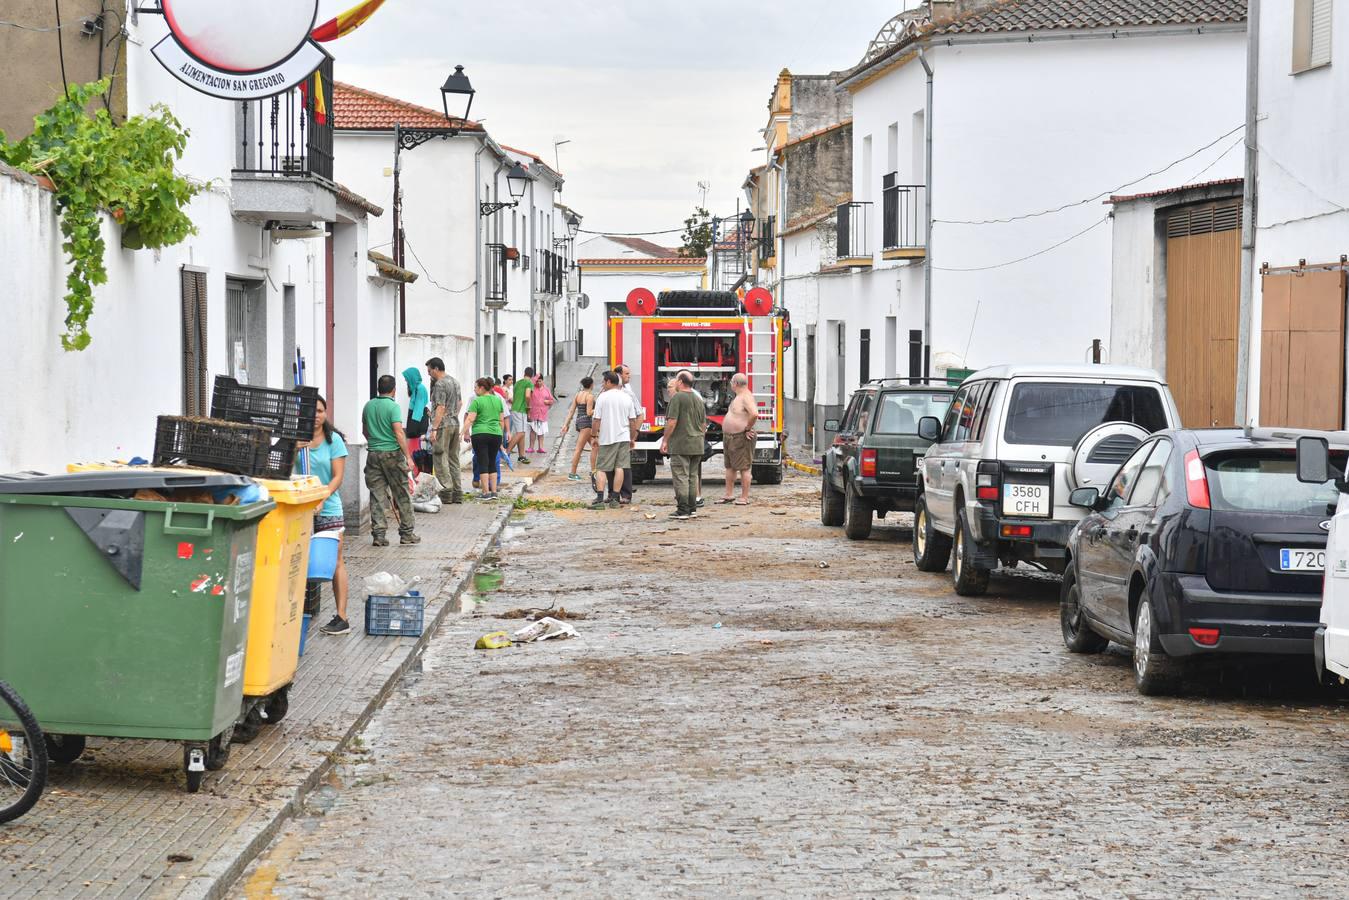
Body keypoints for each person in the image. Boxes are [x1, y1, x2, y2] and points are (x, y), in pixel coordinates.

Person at [298, 396, 352, 635]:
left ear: (326, 413)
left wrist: (321, 498)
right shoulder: (296, 441)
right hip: (299, 509)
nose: (316, 416)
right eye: (312, 412)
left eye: (320, 411)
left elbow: (337, 477)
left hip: (328, 508)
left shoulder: (334, 441)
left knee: (335, 562)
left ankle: (342, 617)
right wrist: (291, 449)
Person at [362, 374, 419, 546]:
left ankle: (379, 535)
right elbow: (398, 432)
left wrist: (375, 441)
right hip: (392, 454)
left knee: (377, 494)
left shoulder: (368, 405)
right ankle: (407, 533)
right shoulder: (393, 407)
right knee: (401, 493)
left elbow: (365, 430)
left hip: (373, 454)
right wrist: (408, 456)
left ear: (379, 388)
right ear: (393, 390)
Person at [661, 370, 707, 520]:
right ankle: (692, 508)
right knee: (693, 476)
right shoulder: (698, 398)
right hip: (697, 444)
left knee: (681, 475)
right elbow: (703, 424)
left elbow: (672, 421)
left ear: (680, 382)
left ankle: (683, 510)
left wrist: (665, 440)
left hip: (681, 443)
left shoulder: (677, 398)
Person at [589, 370, 637, 510]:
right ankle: (615, 498)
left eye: (604, 382)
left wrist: (594, 436)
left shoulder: (603, 398)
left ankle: (599, 499)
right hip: (623, 438)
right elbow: (632, 421)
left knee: (602, 468)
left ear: (609, 382)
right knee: (620, 467)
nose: (603, 384)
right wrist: (632, 437)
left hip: (607, 438)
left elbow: (596, 420)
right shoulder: (626, 397)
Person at [425, 357, 463, 505]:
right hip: (454, 423)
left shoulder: (440, 384)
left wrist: (434, 427)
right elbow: (459, 403)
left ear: (435, 368)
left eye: (429, 371)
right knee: (454, 458)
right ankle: (457, 492)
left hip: (442, 426)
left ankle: (446, 492)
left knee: (440, 457)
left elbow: (440, 407)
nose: (429, 374)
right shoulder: (454, 381)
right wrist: (452, 414)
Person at [463, 377, 508, 499]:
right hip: (496, 434)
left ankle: (485, 492)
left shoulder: (477, 401)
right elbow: (501, 420)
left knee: (483, 462)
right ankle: (494, 492)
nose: (474, 389)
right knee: (492, 462)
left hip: (480, 434)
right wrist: (500, 435)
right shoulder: (498, 400)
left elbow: (470, 419)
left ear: (482, 388)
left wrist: (462, 432)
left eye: (476, 387)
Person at [720, 373, 757, 506]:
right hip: (730, 437)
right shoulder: (739, 397)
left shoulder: (746, 397)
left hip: (740, 437)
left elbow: (754, 414)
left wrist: (747, 428)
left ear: (735, 383)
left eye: (731, 383)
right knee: (729, 466)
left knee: (744, 468)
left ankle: (744, 497)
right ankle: (729, 495)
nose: (730, 385)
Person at [616, 364, 641, 502]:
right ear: (618, 376)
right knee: (609, 467)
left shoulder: (629, 394)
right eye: (626, 374)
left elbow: (638, 415)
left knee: (623, 465)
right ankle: (613, 494)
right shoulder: (603, 394)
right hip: (610, 436)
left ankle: (625, 494)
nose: (629, 376)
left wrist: (634, 434)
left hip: (623, 434)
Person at [569, 376, 597, 481]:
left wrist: (566, 424)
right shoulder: (589, 396)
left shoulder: (578, 395)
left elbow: (571, 411)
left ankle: (594, 471)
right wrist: (597, 408)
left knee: (595, 445)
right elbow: (589, 412)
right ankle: (572, 473)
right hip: (586, 423)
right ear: (591, 385)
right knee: (579, 448)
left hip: (579, 421)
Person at [402, 366, 431, 462]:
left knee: (416, 454)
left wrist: (411, 431)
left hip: (417, 427)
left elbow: (418, 412)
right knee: (413, 453)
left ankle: (416, 475)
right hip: (415, 425)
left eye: (407, 378)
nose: (406, 380)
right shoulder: (416, 389)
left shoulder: (420, 389)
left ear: (412, 378)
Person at [508, 367, 534, 465]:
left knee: (521, 433)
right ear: (531, 375)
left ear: (524, 373)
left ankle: (521, 456)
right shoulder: (529, 383)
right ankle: (506, 453)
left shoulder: (517, 383)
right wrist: (528, 406)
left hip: (514, 408)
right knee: (521, 433)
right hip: (521, 409)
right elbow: (527, 395)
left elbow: (515, 397)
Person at [528, 373, 555, 454]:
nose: (538, 383)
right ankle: (531, 447)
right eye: (537, 381)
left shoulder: (546, 390)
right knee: (533, 430)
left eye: (540, 381)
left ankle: (541, 447)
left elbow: (552, 400)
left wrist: (548, 401)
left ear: (543, 381)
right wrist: (536, 377)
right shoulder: (533, 388)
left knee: (541, 431)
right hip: (533, 412)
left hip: (542, 413)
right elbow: (530, 382)